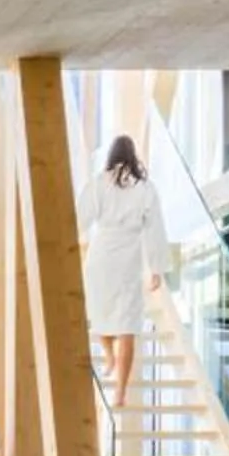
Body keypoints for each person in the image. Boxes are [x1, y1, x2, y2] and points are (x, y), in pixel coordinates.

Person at [78, 134, 167, 408]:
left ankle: (109, 356)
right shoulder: (145, 188)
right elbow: (155, 229)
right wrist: (156, 268)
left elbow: (79, 218)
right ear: (132, 155)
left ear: (111, 155)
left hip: (102, 254)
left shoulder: (99, 183)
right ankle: (120, 391)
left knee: (99, 311)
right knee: (127, 324)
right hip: (129, 258)